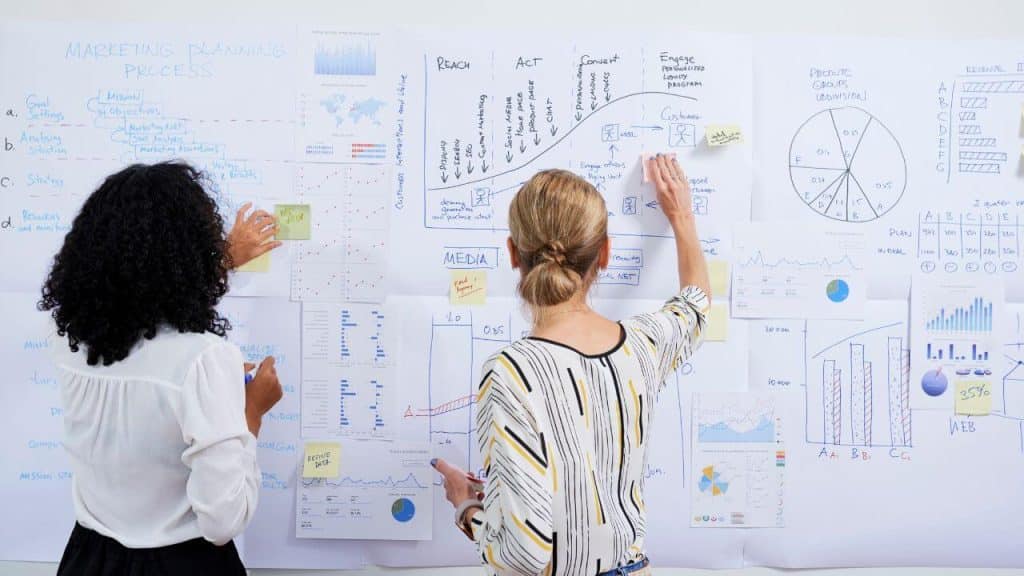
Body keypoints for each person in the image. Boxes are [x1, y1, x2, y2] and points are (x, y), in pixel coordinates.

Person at [432, 155, 710, 576]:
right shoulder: (643, 345)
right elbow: (696, 305)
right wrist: (682, 216)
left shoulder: (511, 373)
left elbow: (524, 555)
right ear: (605, 253)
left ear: (513, 253)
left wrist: (466, 506)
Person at [38, 162, 284, 575]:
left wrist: (220, 263)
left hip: (88, 558)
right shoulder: (204, 359)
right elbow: (222, 521)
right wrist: (251, 413)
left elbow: (137, 300)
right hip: (181, 564)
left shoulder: (67, 336)